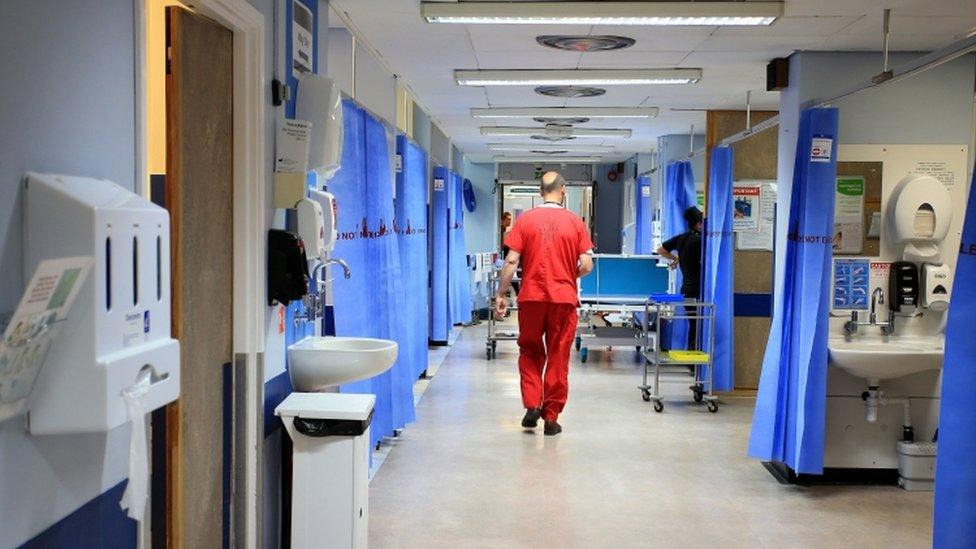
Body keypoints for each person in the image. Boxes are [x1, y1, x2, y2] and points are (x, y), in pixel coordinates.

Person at [495, 172, 594, 436]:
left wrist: (501, 293)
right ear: (562, 190)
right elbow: (586, 264)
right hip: (563, 299)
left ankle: (531, 404)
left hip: (531, 298)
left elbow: (511, 261)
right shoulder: (575, 222)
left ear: (540, 191)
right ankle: (551, 417)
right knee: (559, 355)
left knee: (529, 350)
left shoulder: (525, 220)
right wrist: (566, 275)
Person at [656, 206, 703, 349]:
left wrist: (676, 258)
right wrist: (678, 259)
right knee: (697, 325)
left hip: (686, 288)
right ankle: (693, 361)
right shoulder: (701, 241)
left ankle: (691, 362)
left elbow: (660, 250)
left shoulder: (682, 238)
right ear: (698, 224)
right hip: (697, 289)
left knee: (693, 323)